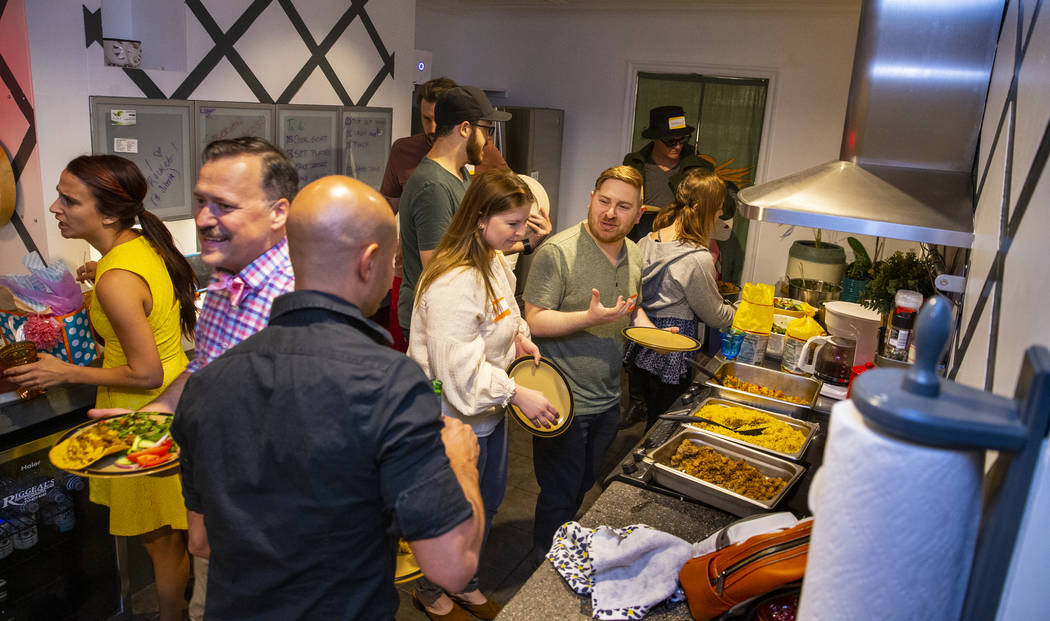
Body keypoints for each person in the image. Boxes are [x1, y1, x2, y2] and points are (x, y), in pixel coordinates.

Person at [171, 175, 486, 620]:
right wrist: (460, 462)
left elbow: (200, 542)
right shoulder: (391, 381)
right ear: (370, 260)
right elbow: (452, 567)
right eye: (393, 259)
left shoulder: (208, 382)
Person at [88, 136, 299, 621]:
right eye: (202, 200)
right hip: (220, 513)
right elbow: (204, 371)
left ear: (278, 212)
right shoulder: (227, 283)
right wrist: (156, 415)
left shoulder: (299, 298)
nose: (204, 218)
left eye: (224, 205)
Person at [6, 155, 199, 621]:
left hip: (142, 413)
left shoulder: (117, 276)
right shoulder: (140, 248)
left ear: (109, 213)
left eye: (69, 200)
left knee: (163, 545)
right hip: (169, 402)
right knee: (173, 538)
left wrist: (64, 371)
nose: (55, 207)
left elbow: (145, 373)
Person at [408, 168, 559, 620]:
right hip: (451, 417)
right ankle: (432, 591)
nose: (522, 234)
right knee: (454, 512)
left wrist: (521, 336)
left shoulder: (492, 260)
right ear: (478, 218)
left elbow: (503, 313)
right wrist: (516, 393)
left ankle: (464, 583)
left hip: (485, 415)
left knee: (485, 505)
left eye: (524, 222)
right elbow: (459, 374)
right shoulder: (453, 282)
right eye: (513, 224)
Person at [523, 165, 662, 557]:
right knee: (559, 496)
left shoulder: (634, 253)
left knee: (583, 486)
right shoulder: (558, 252)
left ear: (638, 214)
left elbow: (631, 310)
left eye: (623, 206)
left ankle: (561, 554)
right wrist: (589, 317)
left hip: (606, 398)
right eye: (604, 201)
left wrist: (652, 333)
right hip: (561, 401)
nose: (610, 213)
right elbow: (534, 319)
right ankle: (543, 578)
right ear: (591, 198)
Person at [397, 85, 519, 339]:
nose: (488, 140)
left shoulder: (460, 173)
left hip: (451, 314)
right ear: (464, 128)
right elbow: (440, 269)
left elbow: (464, 242)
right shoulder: (433, 186)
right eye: (486, 130)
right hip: (433, 322)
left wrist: (521, 242)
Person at [625, 169, 736, 426]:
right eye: (718, 208)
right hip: (673, 348)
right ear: (702, 208)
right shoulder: (696, 258)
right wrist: (742, 313)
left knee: (652, 417)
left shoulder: (646, 241)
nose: (720, 214)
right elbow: (715, 315)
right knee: (664, 425)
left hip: (642, 342)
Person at [622, 105, 716, 242]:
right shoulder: (635, 164)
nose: (677, 146)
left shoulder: (697, 167)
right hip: (640, 237)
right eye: (671, 141)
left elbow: (720, 207)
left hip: (681, 237)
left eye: (682, 139)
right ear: (654, 138)